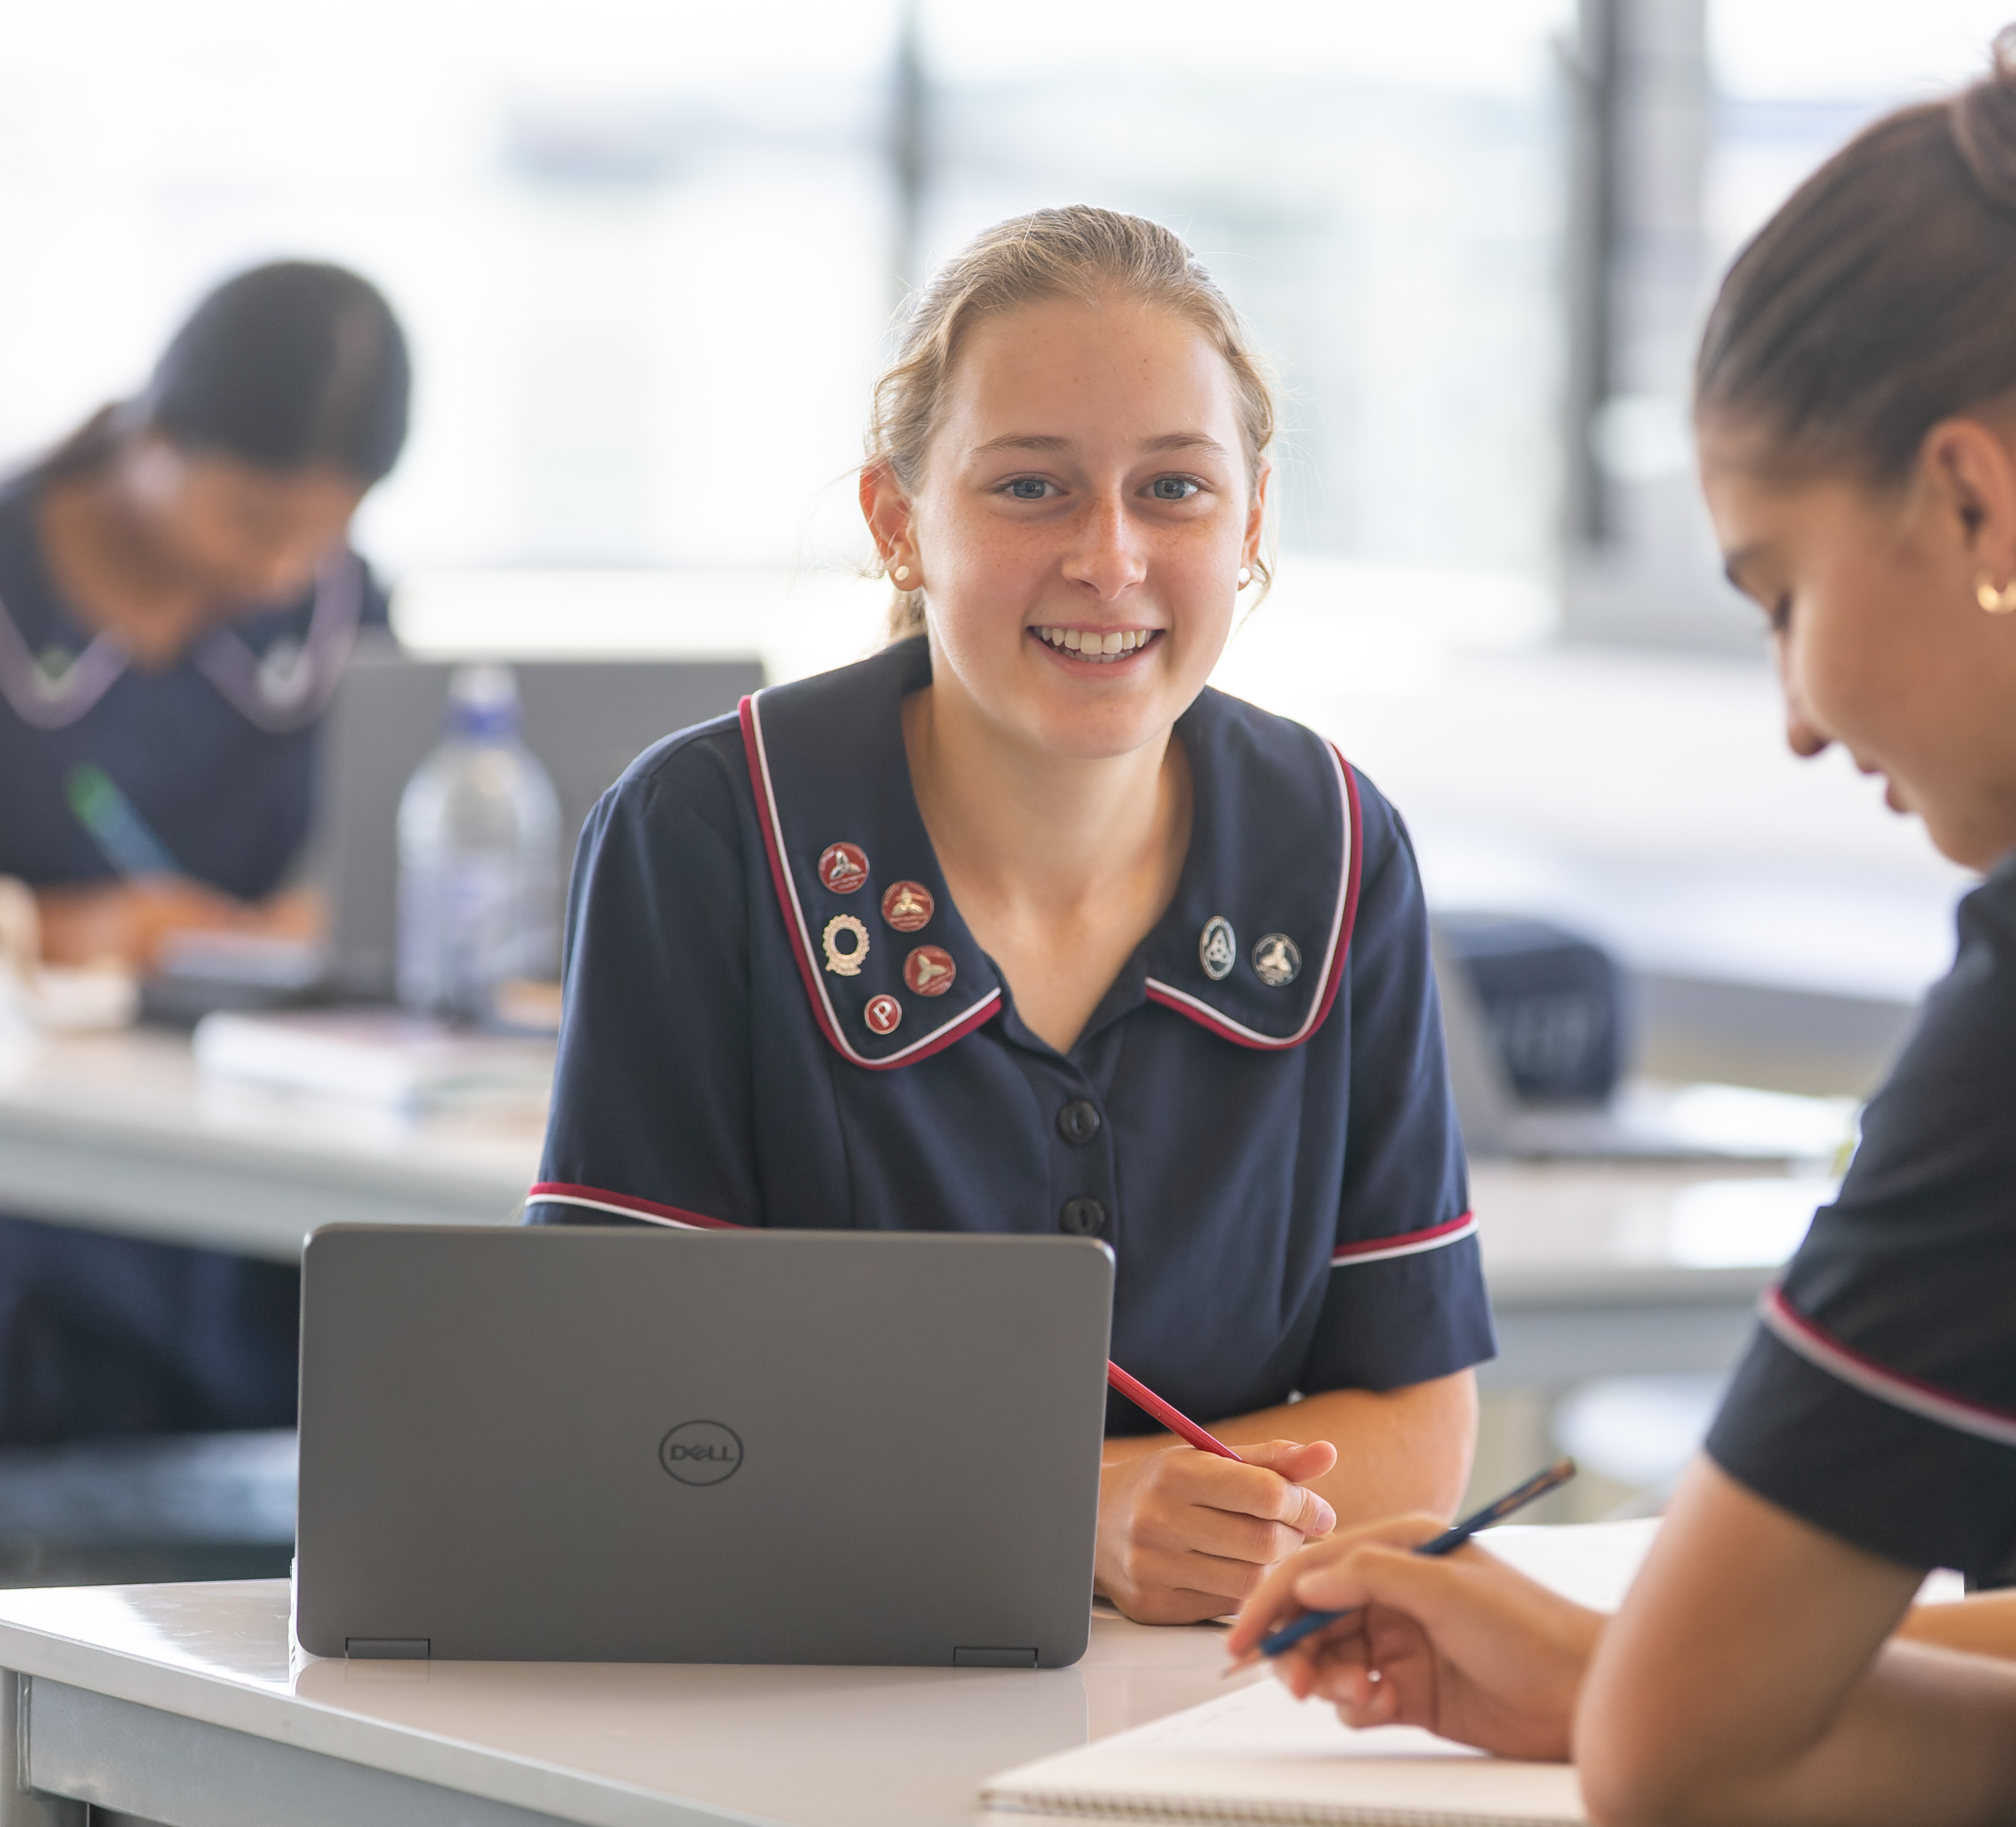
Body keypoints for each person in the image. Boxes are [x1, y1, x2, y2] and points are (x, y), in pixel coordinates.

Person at [1232, 3, 2016, 1825]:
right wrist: (1628, 1673)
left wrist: (1658, 1687)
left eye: (1781, 591)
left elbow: (1689, 1768)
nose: (1801, 715)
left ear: (1976, 499)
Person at [523, 207, 1493, 1624]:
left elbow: (1420, 1420)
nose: (1111, 560)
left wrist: (1179, 1526)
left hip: (1201, 1725)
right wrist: (1070, 1510)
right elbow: (626, 1420)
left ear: (1254, 522)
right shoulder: (706, 836)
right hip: (792, 1704)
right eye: (1032, 488)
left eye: (1175, 489)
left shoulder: (1337, 848)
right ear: (897, 521)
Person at [0, 259, 412, 1450]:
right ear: (157, 435)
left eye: (319, 537)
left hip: (214, 1173)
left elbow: (378, 891)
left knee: (392, 1323)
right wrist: (73, 931)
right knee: (99, 1329)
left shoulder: (345, 615)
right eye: (253, 522)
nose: (275, 571)